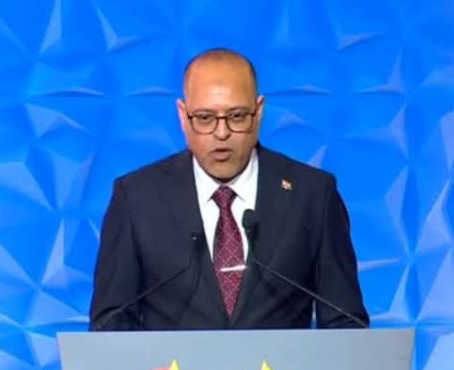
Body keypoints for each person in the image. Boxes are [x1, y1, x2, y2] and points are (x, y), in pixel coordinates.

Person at [90, 48, 369, 330]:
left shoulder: (313, 195)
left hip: (280, 362)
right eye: (205, 118)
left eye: (236, 116)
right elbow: (111, 325)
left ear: (258, 113)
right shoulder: (137, 198)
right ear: (183, 116)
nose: (221, 133)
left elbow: (345, 324)